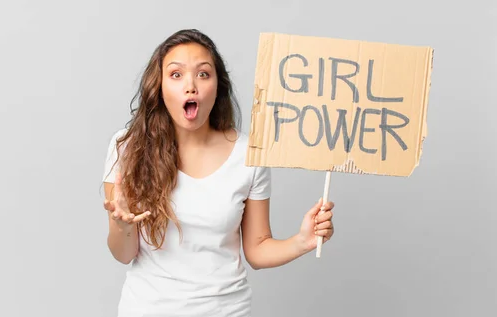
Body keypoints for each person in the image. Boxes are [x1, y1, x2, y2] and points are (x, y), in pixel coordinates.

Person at [102, 29, 335, 317]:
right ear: (159, 87)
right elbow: (123, 254)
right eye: (176, 75)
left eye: (203, 74)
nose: (191, 86)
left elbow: (257, 250)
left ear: (218, 85)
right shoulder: (127, 147)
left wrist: (303, 241)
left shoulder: (249, 154)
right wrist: (122, 225)